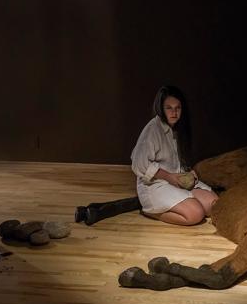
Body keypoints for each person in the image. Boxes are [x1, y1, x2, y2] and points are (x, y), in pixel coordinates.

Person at [75, 85, 217, 226]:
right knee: (195, 214)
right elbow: (138, 164)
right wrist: (169, 177)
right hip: (156, 185)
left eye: (177, 108)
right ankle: (150, 211)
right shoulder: (152, 130)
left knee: (213, 206)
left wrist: (189, 171)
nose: (174, 112)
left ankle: (175, 202)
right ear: (161, 108)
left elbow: (176, 160)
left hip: (178, 180)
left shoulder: (179, 128)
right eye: (169, 108)